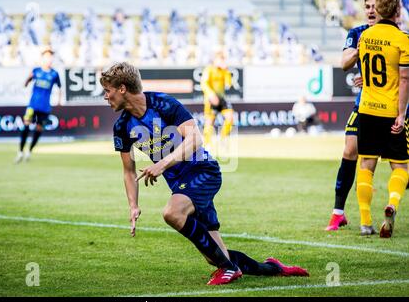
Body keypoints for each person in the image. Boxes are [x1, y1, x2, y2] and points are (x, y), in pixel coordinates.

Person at [100, 62, 309, 285]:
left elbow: (196, 139)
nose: (105, 96)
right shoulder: (122, 126)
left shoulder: (162, 103)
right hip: (180, 185)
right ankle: (272, 268)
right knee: (216, 256)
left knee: (172, 212)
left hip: (203, 171)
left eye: (107, 90)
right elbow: (128, 171)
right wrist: (133, 205)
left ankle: (229, 270)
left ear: (122, 88)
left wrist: (162, 164)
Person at [326, 0, 380, 233]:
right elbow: (344, 62)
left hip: (388, 106)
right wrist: (362, 48)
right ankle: (338, 213)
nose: (370, 10)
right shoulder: (357, 32)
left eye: (374, 6)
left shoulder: (398, 34)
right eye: (367, 6)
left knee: (387, 163)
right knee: (350, 150)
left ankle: (381, 211)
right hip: (363, 104)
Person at [356, 0, 409, 238]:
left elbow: (365, 72)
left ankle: (365, 221)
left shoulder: (365, 36)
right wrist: (401, 114)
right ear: (398, 10)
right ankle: (392, 204)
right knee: (401, 167)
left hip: (366, 109)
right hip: (389, 111)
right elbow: (405, 79)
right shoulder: (402, 40)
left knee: (367, 165)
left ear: (377, 10)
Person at [14, 48, 62, 163]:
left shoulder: (54, 74)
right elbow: (26, 83)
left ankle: (29, 151)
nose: (49, 59)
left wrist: (59, 101)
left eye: (50, 57)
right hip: (32, 105)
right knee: (26, 126)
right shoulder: (36, 71)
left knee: (39, 130)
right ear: (43, 58)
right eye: (46, 57)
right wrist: (28, 79)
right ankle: (20, 151)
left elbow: (60, 87)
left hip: (45, 107)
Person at [201, 51, 234, 150]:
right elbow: (204, 84)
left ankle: (222, 139)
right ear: (215, 60)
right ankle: (206, 144)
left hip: (221, 98)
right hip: (211, 99)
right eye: (221, 59)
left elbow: (228, 84)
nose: (222, 61)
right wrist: (211, 95)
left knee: (230, 117)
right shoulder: (209, 70)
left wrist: (227, 71)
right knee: (209, 121)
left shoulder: (224, 71)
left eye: (223, 59)